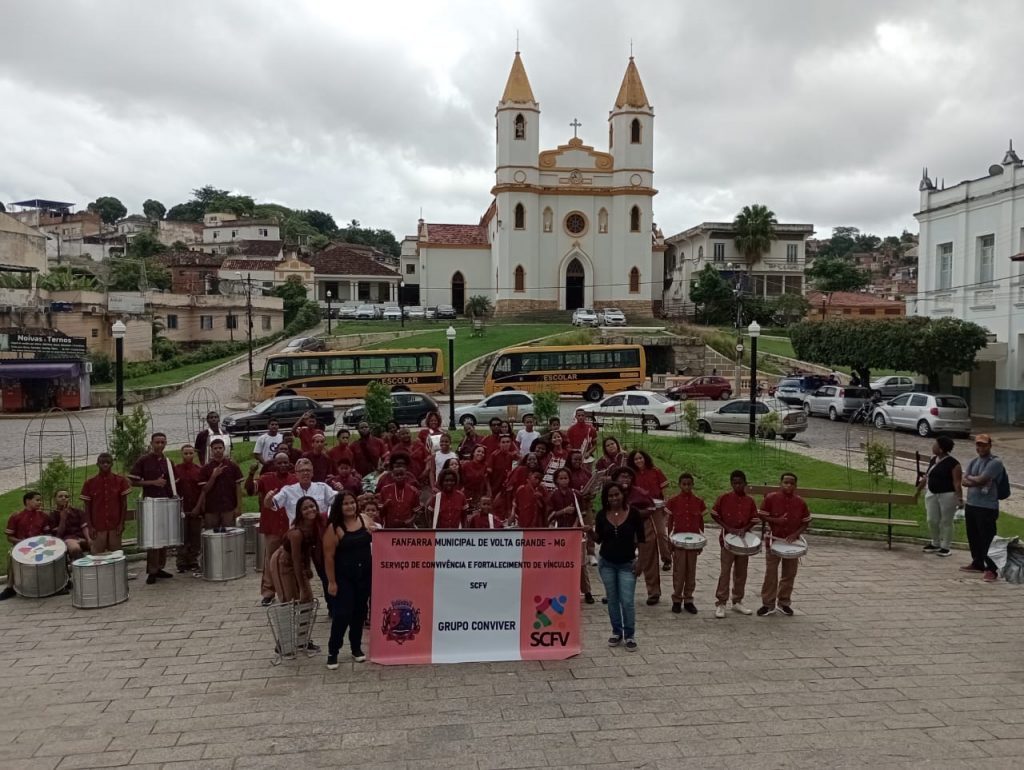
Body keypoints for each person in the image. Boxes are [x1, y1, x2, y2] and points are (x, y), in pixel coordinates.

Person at [592, 482, 645, 651]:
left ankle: (630, 634)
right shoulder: (601, 515)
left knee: (627, 601)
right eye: (610, 496)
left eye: (617, 495)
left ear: (623, 495)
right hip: (607, 563)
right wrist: (588, 532)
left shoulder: (634, 513)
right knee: (613, 600)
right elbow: (598, 539)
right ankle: (616, 632)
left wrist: (641, 561)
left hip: (627, 564)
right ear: (606, 498)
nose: (614, 498)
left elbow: (642, 539)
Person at [323, 491, 373, 668]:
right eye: (345, 504)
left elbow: (380, 537)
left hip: (364, 575)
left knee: (360, 612)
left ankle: (356, 648)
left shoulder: (365, 519)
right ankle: (333, 650)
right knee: (342, 614)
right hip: (344, 577)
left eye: (352, 502)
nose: (350, 506)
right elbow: (328, 557)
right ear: (339, 507)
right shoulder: (333, 528)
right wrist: (332, 582)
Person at [757, 472, 811, 617]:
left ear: (796, 485)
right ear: (780, 483)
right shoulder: (771, 498)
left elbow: (806, 522)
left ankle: (784, 602)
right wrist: (776, 521)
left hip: (791, 542)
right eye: (786, 482)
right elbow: (761, 514)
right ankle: (767, 604)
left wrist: (795, 534)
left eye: (792, 483)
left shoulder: (800, 502)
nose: (788, 485)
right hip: (774, 540)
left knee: (789, 573)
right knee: (771, 574)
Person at [247, 452, 297, 605]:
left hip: (290, 526)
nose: (282, 465)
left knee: (292, 559)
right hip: (272, 525)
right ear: (274, 464)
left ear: (289, 464)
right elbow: (250, 491)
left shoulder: (295, 480)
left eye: (285, 463)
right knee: (270, 559)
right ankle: (268, 592)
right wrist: (250, 474)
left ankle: (292, 591)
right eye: (279, 463)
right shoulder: (266, 478)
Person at [129, 432, 176, 585]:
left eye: (163, 442)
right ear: (151, 443)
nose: (160, 445)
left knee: (164, 537)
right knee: (153, 538)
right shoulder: (143, 460)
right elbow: (133, 482)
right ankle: (152, 570)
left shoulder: (168, 462)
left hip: (165, 501)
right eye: (157, 442)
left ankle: (160, 566)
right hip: (150, 502)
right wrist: (153, 483)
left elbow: (172, 483)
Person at [711, 470, 758, 618]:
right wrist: (727, 527)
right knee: (725, 572)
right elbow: (714, 514)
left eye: (740, 483)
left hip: (743, 542)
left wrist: (745, 528)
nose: (737, 485)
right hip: (727, 541)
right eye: (734, 483)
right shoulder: (723, 498)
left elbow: (754, 518)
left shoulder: (749, 501)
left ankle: (737, 600)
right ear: (731, 483)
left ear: (745, 483)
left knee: (741, 572)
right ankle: (721, 602)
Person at [960, 434, 1005, 582]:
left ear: (990, 446)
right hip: (972, 504)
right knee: (973, 536)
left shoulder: (995, 462)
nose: (980, 448)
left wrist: (974, 479)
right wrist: (975, 480)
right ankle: (977, 562)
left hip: (987, 506)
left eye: (984, 445)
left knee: (987, 538)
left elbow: (982, 479)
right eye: (978, 445)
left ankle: (991, 569)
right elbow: (964, 481)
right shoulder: (974, 461)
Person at [613, 467, 660, 605]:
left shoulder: (640, 493)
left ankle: (654, 592)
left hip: (643, 526)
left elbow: (651, 508)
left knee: (648, 558)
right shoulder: (612, 493)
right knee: (618, 559)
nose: (625, 479)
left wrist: (634, 514)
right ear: (616, 478)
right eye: (622, 476)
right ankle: (615, 592)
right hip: (621, 528)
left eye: (628, 477)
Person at [547, 467, 593, 604]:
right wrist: (563, 511)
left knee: (581, 563)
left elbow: (581, 513)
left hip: (575, 532)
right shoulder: (553, 496)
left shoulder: (576, 494)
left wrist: (575, 525)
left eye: (566, 478)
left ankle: (587, 591)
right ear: (556, 480)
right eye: (560, 478)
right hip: (559, 533)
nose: (564, 481)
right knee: (561, 563)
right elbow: (550, 515)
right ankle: (563, 591)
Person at [664, 472, 706, 615]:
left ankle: (688, 599)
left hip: (693, 543)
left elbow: (701, 523)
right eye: (684, 484)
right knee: (679, 571)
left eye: (689, 484)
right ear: (679, 485)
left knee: (691, 572)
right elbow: (670, 523)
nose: (686, 487)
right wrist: (670, 542)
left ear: (693, 485)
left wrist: (700, 542)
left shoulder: (698, 501)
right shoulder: (673, 501)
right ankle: (677, 599)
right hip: (679, 543)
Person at [267, 495, 321, 605]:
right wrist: (302, 588)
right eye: (305, 509)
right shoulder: (296, 533)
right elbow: (295, 560)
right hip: (284, 561)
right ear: (300, 512)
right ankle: (290, 621)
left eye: (312, 506)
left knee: (307, 600)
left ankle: (304, 622)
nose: (310, 510)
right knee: (291, 599)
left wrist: (307, 567)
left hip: (299, 559)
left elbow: (307, 549)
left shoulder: (315, 526)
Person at [1, 492, 53, 600]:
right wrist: (20, 542)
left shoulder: (43, 516)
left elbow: (48, 534)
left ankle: (55, 585)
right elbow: (9, 537)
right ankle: (10, 588)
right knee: (11, 555)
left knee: (55, 553)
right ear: (28, 501)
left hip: (40, 547)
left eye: (40, 500)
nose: (40, 502)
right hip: (21, 547)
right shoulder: (16, 516)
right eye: (37, 500)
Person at [917, 436, 963, 558]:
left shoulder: (954, 464)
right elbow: (927, 476)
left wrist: (960, 498)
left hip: (947, 495)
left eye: (935, 445)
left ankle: (946, 547)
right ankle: (935, 542)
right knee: (932, 519)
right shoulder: (933, 460)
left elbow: (957, 482)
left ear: (941, 449)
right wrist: (918, 491)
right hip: (932, 493)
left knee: (946, 521)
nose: (933, 446)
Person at [628, 450, 671, 572]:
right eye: (636, 459)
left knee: (661, 533)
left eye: (640, 458)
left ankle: (667, 559)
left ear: (645, 458)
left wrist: (666, 501)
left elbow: (664, 487)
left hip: (657, 507)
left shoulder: (655, 471)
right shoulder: (632, 474)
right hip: (640, 509)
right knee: (639, 535)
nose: (639, 461)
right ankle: (639, 561)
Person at [79, 453, 131, 555]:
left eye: (108, 462)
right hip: (97, 526)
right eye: (102, 463)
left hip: (115, 525)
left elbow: (124, 504)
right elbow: (87, 507)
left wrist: (121, 523)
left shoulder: (120, 481)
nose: (105, 465)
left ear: (112, 464)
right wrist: (90, 526)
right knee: (97, 555)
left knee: (116, 555)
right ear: (97, 464)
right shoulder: (89, 483)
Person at [268, 458, 337, 525]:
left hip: (319, 531)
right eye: (302, 471)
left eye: (308, 470)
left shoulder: (323, 488)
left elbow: (339, 500)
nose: (305, 473)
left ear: (312, 473)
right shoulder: (287, 491)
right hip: (297, 532)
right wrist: (268, 498)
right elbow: (271, 504)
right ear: (296, 474)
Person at [195, 438, 243, 531]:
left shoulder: (233, 466)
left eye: (220, 448)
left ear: (224, 449)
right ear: (211, 450)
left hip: (229, 507)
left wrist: (238, 507)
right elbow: (204, 489)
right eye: (215, 448)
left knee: (229, 533)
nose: (218, 450)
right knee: (211, 534)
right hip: (211, 508)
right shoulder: (205, 468)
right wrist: (213, 476)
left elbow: (238, 487)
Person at [174, 445, 203, 573]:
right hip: (181, 508)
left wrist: (200, 507)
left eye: (191, 453)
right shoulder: (176, 470)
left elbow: (203, 490)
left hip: (195, 507)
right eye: (185, 453)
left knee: (195, 535)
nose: (188, 456)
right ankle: (181, 561)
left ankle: (193, 560)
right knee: (182, 536)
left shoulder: (199, 470)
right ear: (181, 454)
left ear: (194, 454)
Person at [377, 454, 421, 528]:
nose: (399, 477)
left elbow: (417, 511)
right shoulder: (385, 489)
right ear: (392, 476)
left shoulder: (412, 490)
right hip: (389, 527)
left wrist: (410, 521)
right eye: (397, 475)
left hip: (408, 527)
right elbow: (379, 512)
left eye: (401, 475)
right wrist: (385, 505)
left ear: (406, 475)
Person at [49, 488, 89, 560]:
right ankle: (82, 566)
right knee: (74, 548)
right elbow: (58, 535)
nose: (64, 498)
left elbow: (84, 527)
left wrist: (89, 539)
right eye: (60, 496)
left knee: (98, 544)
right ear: (55, 499)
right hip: (67, 539)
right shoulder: (53, 515)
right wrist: (63, 518)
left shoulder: (77, 511)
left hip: (81, 537)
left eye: (66, 496)